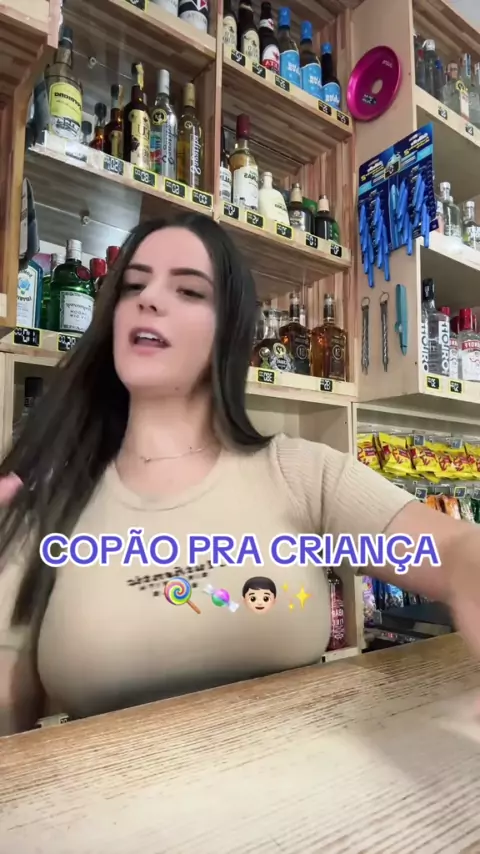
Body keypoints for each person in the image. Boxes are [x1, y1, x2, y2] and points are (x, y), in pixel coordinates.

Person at [0, 213, 478, 736]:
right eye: (133, 285)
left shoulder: (301, 472)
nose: (149, 298)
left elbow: (452, 549)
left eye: (188, 290)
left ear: (230, 332)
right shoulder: (44, 498)